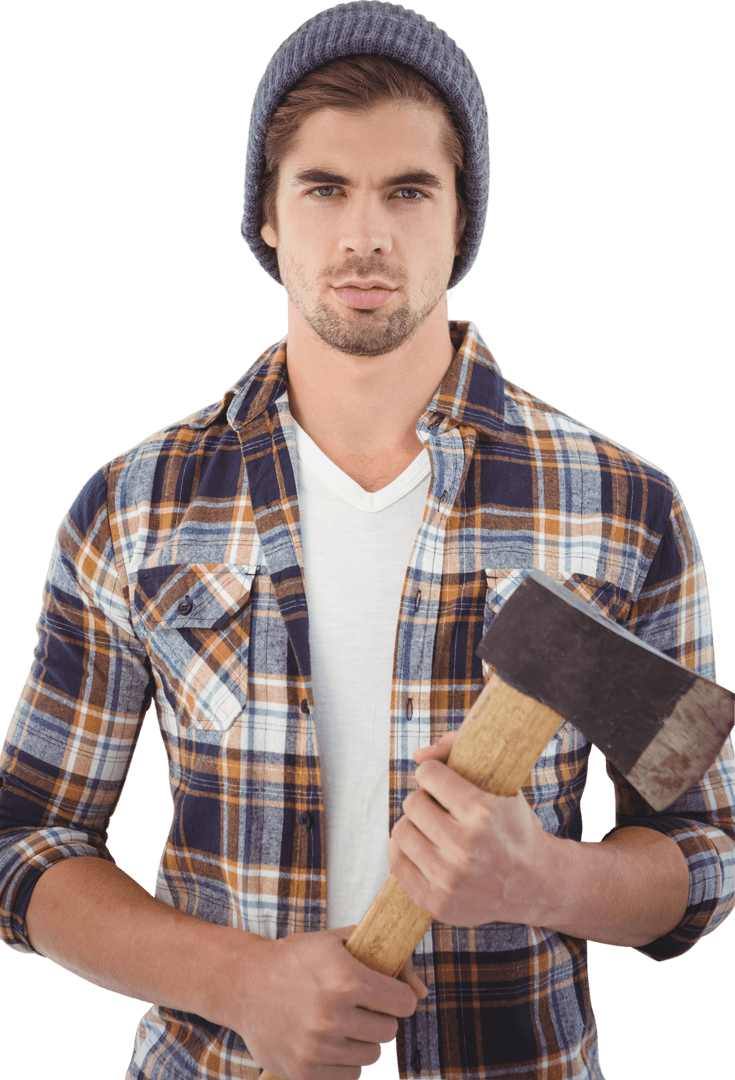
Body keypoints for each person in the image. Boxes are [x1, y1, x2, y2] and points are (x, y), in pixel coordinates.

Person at [1, 2, 733, 1078]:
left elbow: (705, 854)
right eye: (325, 188)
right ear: (266, 214)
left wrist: (543, 878)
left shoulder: (621, 505)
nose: (364, 236)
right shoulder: (135, 504)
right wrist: (238, 983)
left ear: (462, 215)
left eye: (407, 191)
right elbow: (25, 841)